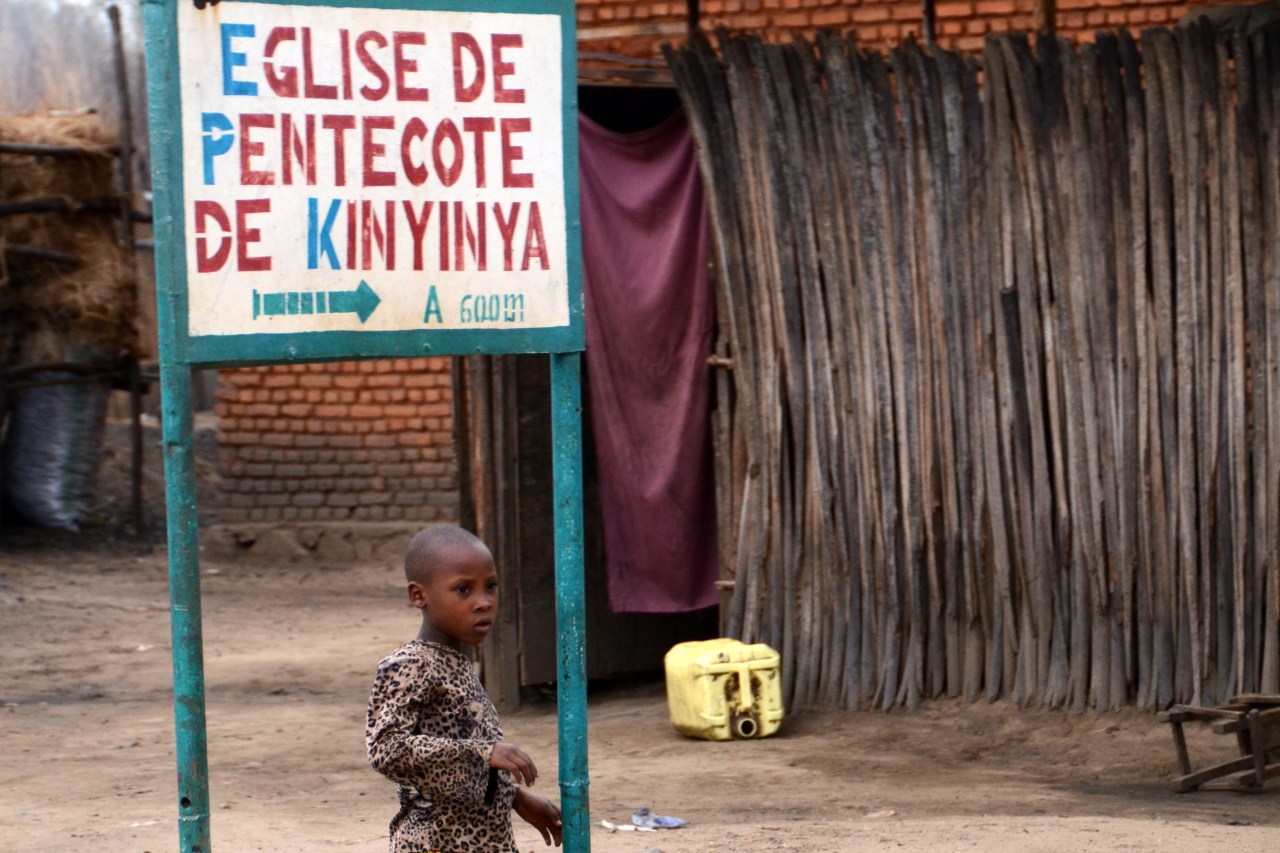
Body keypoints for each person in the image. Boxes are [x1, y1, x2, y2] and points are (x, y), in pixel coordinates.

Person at [366, 525, 563, 852]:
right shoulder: (410, 665)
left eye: (491, 586)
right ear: (419, 596)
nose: (483, 602)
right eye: (463, 590)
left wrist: (513, 796)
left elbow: (451, 770)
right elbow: (387, 749)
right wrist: (484, 753)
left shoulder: (456, 663)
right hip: (434, 842)